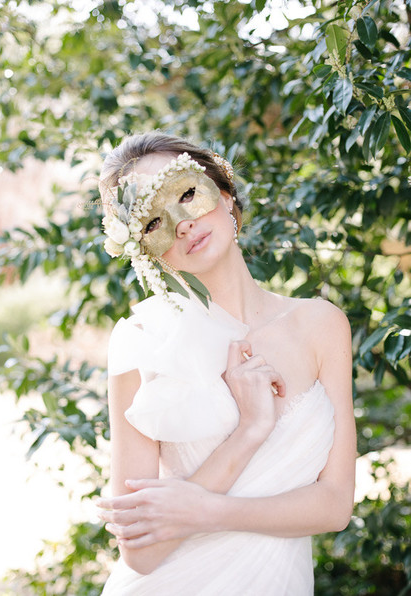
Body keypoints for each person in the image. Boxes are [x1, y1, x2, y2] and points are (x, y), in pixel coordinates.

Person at [95, 132, 356, 595]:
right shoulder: (142, 342)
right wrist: (250, 431)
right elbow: (141, 553)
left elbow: (335, 506)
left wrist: (206, 511)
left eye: (187, 194)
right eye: (152, 221)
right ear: (144, 250)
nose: (181, 224)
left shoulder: (321, 324)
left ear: (226, 194)